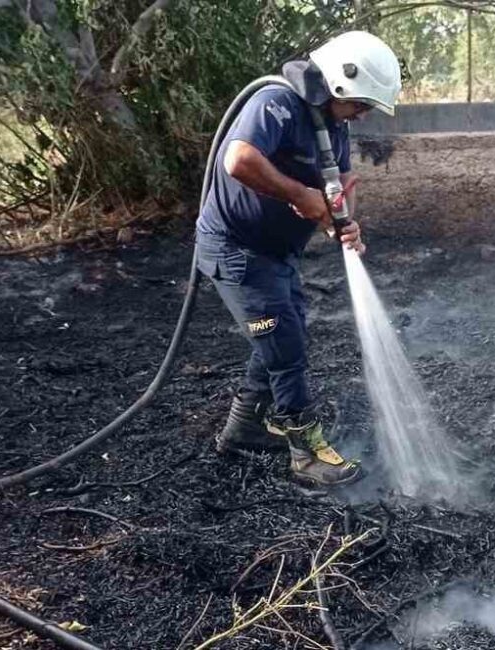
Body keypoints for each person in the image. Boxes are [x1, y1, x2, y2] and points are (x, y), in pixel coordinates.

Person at [195, 31, 402, 487]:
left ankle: (247, 428)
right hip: (236, 248)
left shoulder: (335, 124)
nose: (364, 113)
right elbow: (239, 159)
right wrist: (298, 194)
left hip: (275, 251)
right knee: (284, 346)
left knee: (283, 332)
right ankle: (305, 454)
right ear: (337, 83)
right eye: (361, 103)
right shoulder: (276, 103)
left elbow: (342, 178)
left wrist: (343, 222)